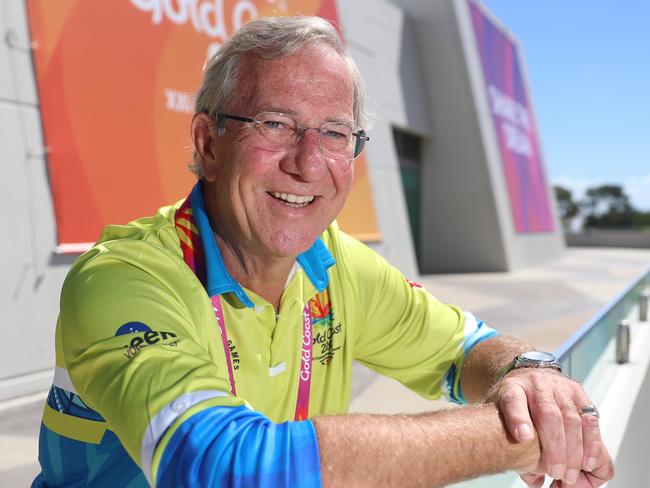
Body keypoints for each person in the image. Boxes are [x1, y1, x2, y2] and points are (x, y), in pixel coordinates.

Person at [34, 16, 613, 488]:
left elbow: (463, 349)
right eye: (276, 124)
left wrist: (529, 375)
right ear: (209, 144)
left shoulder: (334, 260)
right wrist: (521, 438)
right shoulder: (123, 276)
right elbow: (216, 466)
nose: (308, 163)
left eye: (334, 133)